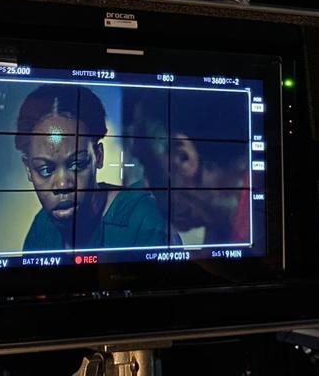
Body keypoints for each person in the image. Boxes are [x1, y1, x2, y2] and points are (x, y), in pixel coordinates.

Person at [15, 84, 168, 252]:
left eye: (77, 164)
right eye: (46, 170)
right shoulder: (42, 226)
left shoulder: (144, 221)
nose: (62, 185)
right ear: (28, 169)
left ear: (98, 155)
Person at [123, 90, 250, 246]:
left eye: (148, 165)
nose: (147, 186)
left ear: (183, 157)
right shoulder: (220, 228)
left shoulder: (258, 223)